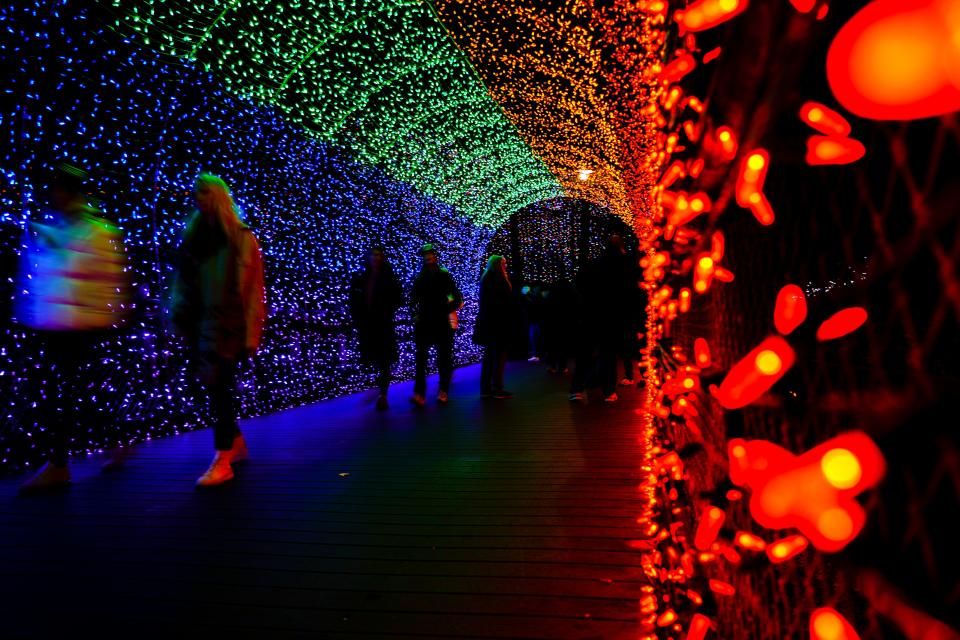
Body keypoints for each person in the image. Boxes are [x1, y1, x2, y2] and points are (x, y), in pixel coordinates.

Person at [16, 162, 130, 493]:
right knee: (73, 394)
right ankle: (108, 443)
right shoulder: (62, 227)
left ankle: (60, 463)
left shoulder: (97, 231)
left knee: (66, 396)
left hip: (81, 326)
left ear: (70, 192)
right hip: (56, 325)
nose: (53, 195)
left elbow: (89, 275)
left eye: (58, 188)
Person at [170, 174, 266, 488]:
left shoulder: (239, 237)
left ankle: (224, 457)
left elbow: (252, 290)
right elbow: (184, 280)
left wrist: (251, 333)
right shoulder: (195, 235)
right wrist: (179, 313)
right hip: (200, 323)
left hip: (226, 326)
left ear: (218, 197)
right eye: (196, 191)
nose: (196, 197)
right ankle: (233, 442)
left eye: (203, 191)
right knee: (214, 389)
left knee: (220, 388)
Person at [349, 246, 403, 410]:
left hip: (383, 324)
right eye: (373, 255)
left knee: (384, 359)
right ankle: (379, 389)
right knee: (374, 359)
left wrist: (387, 311)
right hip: (368, 326)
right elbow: (354, 299)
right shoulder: (361, 277)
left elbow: (398, 297)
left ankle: (382, 394)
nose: (376, 258)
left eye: (379, 255)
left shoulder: (388, 277)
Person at [409, 243, 462, 407]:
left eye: (430, 253)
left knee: (441, 359)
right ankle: (423, 393)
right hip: (428, 322)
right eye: (425, 254)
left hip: (436, 322)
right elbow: (412, 300)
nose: (427, 256)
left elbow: (457, 298)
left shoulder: (440, 276)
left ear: (434, 256)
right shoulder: (422, 277)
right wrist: (416, 314)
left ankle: (439, 391)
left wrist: (444, 310)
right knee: (425, 360)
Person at [473, 255, 515, 399]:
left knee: (490, 356)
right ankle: (497, 388)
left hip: (490, 324)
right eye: (503, 263)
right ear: (498, 265)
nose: (506, 266)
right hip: (498, 325)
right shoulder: (496, 280)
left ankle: (487, 388)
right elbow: (501, 303)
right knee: (498, 356)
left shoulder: (487, 278)